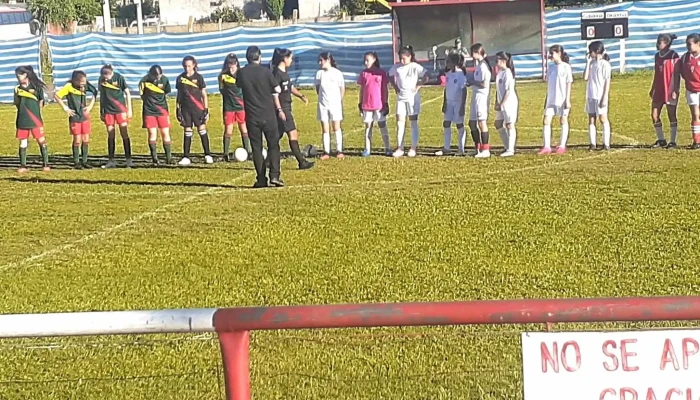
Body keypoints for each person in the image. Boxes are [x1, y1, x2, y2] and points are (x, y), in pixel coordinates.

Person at [235, 45, 284, 188]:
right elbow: (277, 89)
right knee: (273, 145)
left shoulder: (242, 73)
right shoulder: (266, 71)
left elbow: (239, 85)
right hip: (268, 114)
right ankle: (275, 175)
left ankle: (261, 179)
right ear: (259, 56)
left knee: (257, 148)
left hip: (252, 116)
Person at [271, 48, 314, 169]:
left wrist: (301, 96)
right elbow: (274, 94)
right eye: (290, 58)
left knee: (276, 136)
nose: (291, 60)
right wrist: (279, 110)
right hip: (283, 108)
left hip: (286, 107)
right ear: (284, 59)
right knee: (293, 133)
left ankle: (269, 160)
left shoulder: (284, 73)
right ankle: (301, 161)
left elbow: (290, 87)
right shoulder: (276, 74)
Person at [389, 45, 427, 158]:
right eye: (400, 58)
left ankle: (413, 148)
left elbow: (427, 76)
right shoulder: (397, 67)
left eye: (404, 58)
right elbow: (390, 75)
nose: (402, 61)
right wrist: (395, 86)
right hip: (401, 97)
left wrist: (418, 86)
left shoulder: (415, 66)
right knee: (400, 122)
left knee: (413, 121)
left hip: (412, 98)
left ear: (410, 57)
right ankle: (400, 147)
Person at [54, 70, 97, 169]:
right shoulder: (69, 87)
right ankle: (76, 162)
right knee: (77, 140)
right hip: (75, 117)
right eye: (81, 83)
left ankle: (85, 161)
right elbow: (57, 96)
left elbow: (95, 92)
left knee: (86, 139)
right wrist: (65, 108)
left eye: (85, 82)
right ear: (75, 81)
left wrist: (90, 106)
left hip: (84, 117)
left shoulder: (85, 86)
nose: (83, 85)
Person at [176, 56, 213, 166]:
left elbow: (204, 94)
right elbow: (179, 95)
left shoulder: (199, 78)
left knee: (202, 129)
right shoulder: (180, 78)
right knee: (187, 131)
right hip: (186, 109)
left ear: (194, 65)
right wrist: (177, 108)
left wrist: (206, 109)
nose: (187, 68)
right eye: (185, 66)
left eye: (189, 66)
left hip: (198, 108)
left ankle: (207, 154)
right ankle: (186, 156)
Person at [13, 65, 50, 173]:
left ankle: (46, 164)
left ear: (26, 75)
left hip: (35, 120)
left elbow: (41, 103)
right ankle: (23, 165)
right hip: (22, 120)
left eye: (19, 75)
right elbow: (17, 103)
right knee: (23, 143)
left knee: (41, 140)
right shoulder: (17, 89)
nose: (17, 77)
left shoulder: (37, 87)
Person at [98, 64, 133, 168]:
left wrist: (129, 109)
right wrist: (101, 111)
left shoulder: (119, 78)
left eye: (107, 76)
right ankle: (111, 160)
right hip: (108, 111)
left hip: (120, 110)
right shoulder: (101, 79)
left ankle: (128, 159)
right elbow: (102, 96)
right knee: (110, 134)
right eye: (104, 76)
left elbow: (127, 93)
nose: (105, 78)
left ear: (111, 73)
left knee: (124, 133)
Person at [219, 53, 252, 161]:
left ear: (237, 63)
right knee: (228, 129)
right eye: (229, 63)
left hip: (241, 106)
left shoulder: (241, 74)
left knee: (244, 128)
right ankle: (225, 153)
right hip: (229, 107)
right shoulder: (223, 76)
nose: (231, 66)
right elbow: (222, 90)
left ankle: (248, 150)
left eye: (233, 63)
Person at [541, 45, 573, 155]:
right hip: (551, 99)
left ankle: (562, 145)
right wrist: (547, 98)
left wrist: (567, 99)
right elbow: (550, 85)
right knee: (546, 120)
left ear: (559, 54)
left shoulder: (566, 67)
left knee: (563, 120)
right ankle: (546, 146)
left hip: (562, 99)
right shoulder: (551, 67)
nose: (550, 56)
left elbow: (569, 83)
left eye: (552, 54)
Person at [357, 51, 391, 157]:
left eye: (367, 60)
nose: (365, 62)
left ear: (374, 60)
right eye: (365, 60)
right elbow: (362, 89)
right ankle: (367, 148)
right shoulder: (364, 73)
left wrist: (385, 103)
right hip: (367, 105)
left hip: (379, 105)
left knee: (382, 125)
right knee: (368, 126)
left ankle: (387, 148)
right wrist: (360, 102)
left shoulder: (381, 73)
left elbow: (385, 89)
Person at [650, 34, 680, 149]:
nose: (657, 44)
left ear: (666, 44)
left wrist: (675, 89)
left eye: (660, 42)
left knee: (671, 115)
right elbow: (657, 73)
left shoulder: (673, 56)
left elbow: (676, 74)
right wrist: (653, 87)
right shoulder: (657, 56)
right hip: (659, 89)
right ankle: (661, 139)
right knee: (654, 115)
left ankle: (672, 141)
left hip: (669, 89)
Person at [139, 65, 173, 165]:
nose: (157, 78)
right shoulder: (144, 81)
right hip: (149, 111)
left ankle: (168, 158)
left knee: (165, 133)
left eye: (159, 76)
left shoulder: (165, 80)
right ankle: (154, 159)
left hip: (162, 110)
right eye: (155, 76)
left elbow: (166, 92)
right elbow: (141, 94)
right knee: (152, 134)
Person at [315, 52, 345, 160]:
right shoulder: (319, 74)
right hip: (323, 105)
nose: (320, 63)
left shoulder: (337, 73)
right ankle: (326, 151)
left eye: (321, 60)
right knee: (325, 129)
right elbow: (318, 89)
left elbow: (342, 88)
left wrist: (338, 101)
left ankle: (339, 150)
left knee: (336, 127)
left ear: (328, 60)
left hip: (335, 105)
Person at [435, 53, 467, 156]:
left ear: (454, 63)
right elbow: (446, 89)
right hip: (449, 102)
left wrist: (462, 106)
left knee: (459, 124)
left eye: (448, 61)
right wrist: (444, 102)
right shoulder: (448, 74)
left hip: (457, 103)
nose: (446, 63)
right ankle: (446, 147)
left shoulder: (460, 74)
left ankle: (461, 148)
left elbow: (464, 90)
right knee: (446, 123)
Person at [584, 41, 612, 151]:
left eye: (591, 51)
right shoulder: (592, 64)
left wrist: (604, 97)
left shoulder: (605, 64)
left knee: (603, 118)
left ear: (596, 51)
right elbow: (586, 77)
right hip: (591, 95)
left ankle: (606, 143)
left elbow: (607, 81)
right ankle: (592, 143)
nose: (589, 54)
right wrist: (587, 63)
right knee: (591, 118)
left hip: (600, 95)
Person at [673, 33, 700, 149]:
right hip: (691, 90)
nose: (688, 47)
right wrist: (675, 89)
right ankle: (696, 141)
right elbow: (677, 74)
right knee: (695, 114)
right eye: (687, 44)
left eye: (690, 44)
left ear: (698, 44)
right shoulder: (684, 58)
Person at [468, 43, 492, 158]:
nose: (471, 55)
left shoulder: (484, 67)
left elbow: (484, 84)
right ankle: (477, 148)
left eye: (472, 52)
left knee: (482, 122)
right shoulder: (478, 65)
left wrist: (473, 82)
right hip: (475, 95)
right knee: (472, 122)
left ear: (478, 53)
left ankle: (486, 149)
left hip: (481, 97)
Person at [494, 51, 518, 157]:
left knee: (509, 124)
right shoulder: (500, 72)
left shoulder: (508, 73)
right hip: (501, 103)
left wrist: (502, 103)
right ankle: (507, 145)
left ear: (503, 61)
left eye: (497, 60)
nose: (496, 62)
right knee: (498, 123)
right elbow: (498, 89)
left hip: (509, 103)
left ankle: (510, 150)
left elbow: (508, 91)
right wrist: (496, 102)